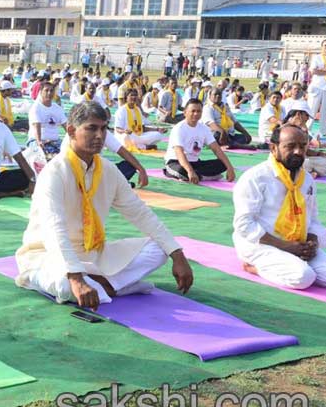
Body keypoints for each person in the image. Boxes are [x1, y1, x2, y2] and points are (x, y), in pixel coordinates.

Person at [15, 101, 194, 308]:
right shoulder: (55, 172)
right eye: (91, 128)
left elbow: (140, 213)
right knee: (65, 286)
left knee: (159, 249)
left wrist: (177, 254)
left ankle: (103, 286)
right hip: (46, 256)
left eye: (103, 128)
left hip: (94, 254)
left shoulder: (107, 170)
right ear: (72, 131)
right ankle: (111, 285)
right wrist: (75, 278)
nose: (100, 136)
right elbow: (53, 231)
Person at [232, 125, 326, 290]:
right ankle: (255, 268)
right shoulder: (256, 178)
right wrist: (284, 246)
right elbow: (244, 224)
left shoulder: (306, 179)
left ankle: (292, 263)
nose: (298, 152)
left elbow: (313, 218)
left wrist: (312, 243)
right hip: (261, 243)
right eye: (290, 146)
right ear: (273, 148)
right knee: (303, 277)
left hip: (297, 244)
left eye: (302, 146)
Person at [164, 98, 235, 183]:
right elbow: (179, 153)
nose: (196, 114)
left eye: (199, 111)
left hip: (195, 163)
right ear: (185, 112)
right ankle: (201, 176)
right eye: (193, 111)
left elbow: (216, 149)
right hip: (177, 162)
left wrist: (230, 168)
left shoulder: (204, 128)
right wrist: (190, 171)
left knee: (222, 164)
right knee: (181, 171)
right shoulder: (179, 128)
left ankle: (197, 175)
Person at [283, 101, 326, 177]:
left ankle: (306, 172)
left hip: (301, 159)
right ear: (298, 114)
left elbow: (305, 150)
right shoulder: (285, 129)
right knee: (306, 162)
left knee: (325, 162)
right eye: (306, 115)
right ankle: (305, 172)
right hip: (287, 159)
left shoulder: (303, 128)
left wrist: (320, 154)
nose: (308, 118)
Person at [28, 82, 67, 157]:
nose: (49, 93)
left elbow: (66, 125)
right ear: (41, 92)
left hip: (55, 141)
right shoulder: (36, 108)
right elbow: (37, 125)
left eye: (51, 90)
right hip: (37, 141)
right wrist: (39, 141)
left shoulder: (57, 108)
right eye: (46, 90)